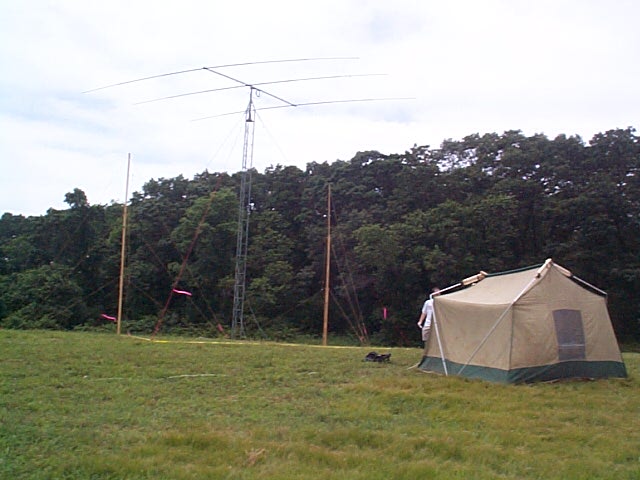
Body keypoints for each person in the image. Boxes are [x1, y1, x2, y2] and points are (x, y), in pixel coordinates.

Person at [417, 287, 440, 353]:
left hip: (437, 323)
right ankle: (426, 351)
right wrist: (420, 321)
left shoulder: (441, 302)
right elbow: (424, 312)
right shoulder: (428, 302)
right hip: (428, 323)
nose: (438, 293)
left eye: (439, 292)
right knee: (426, 338)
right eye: (436, 292)